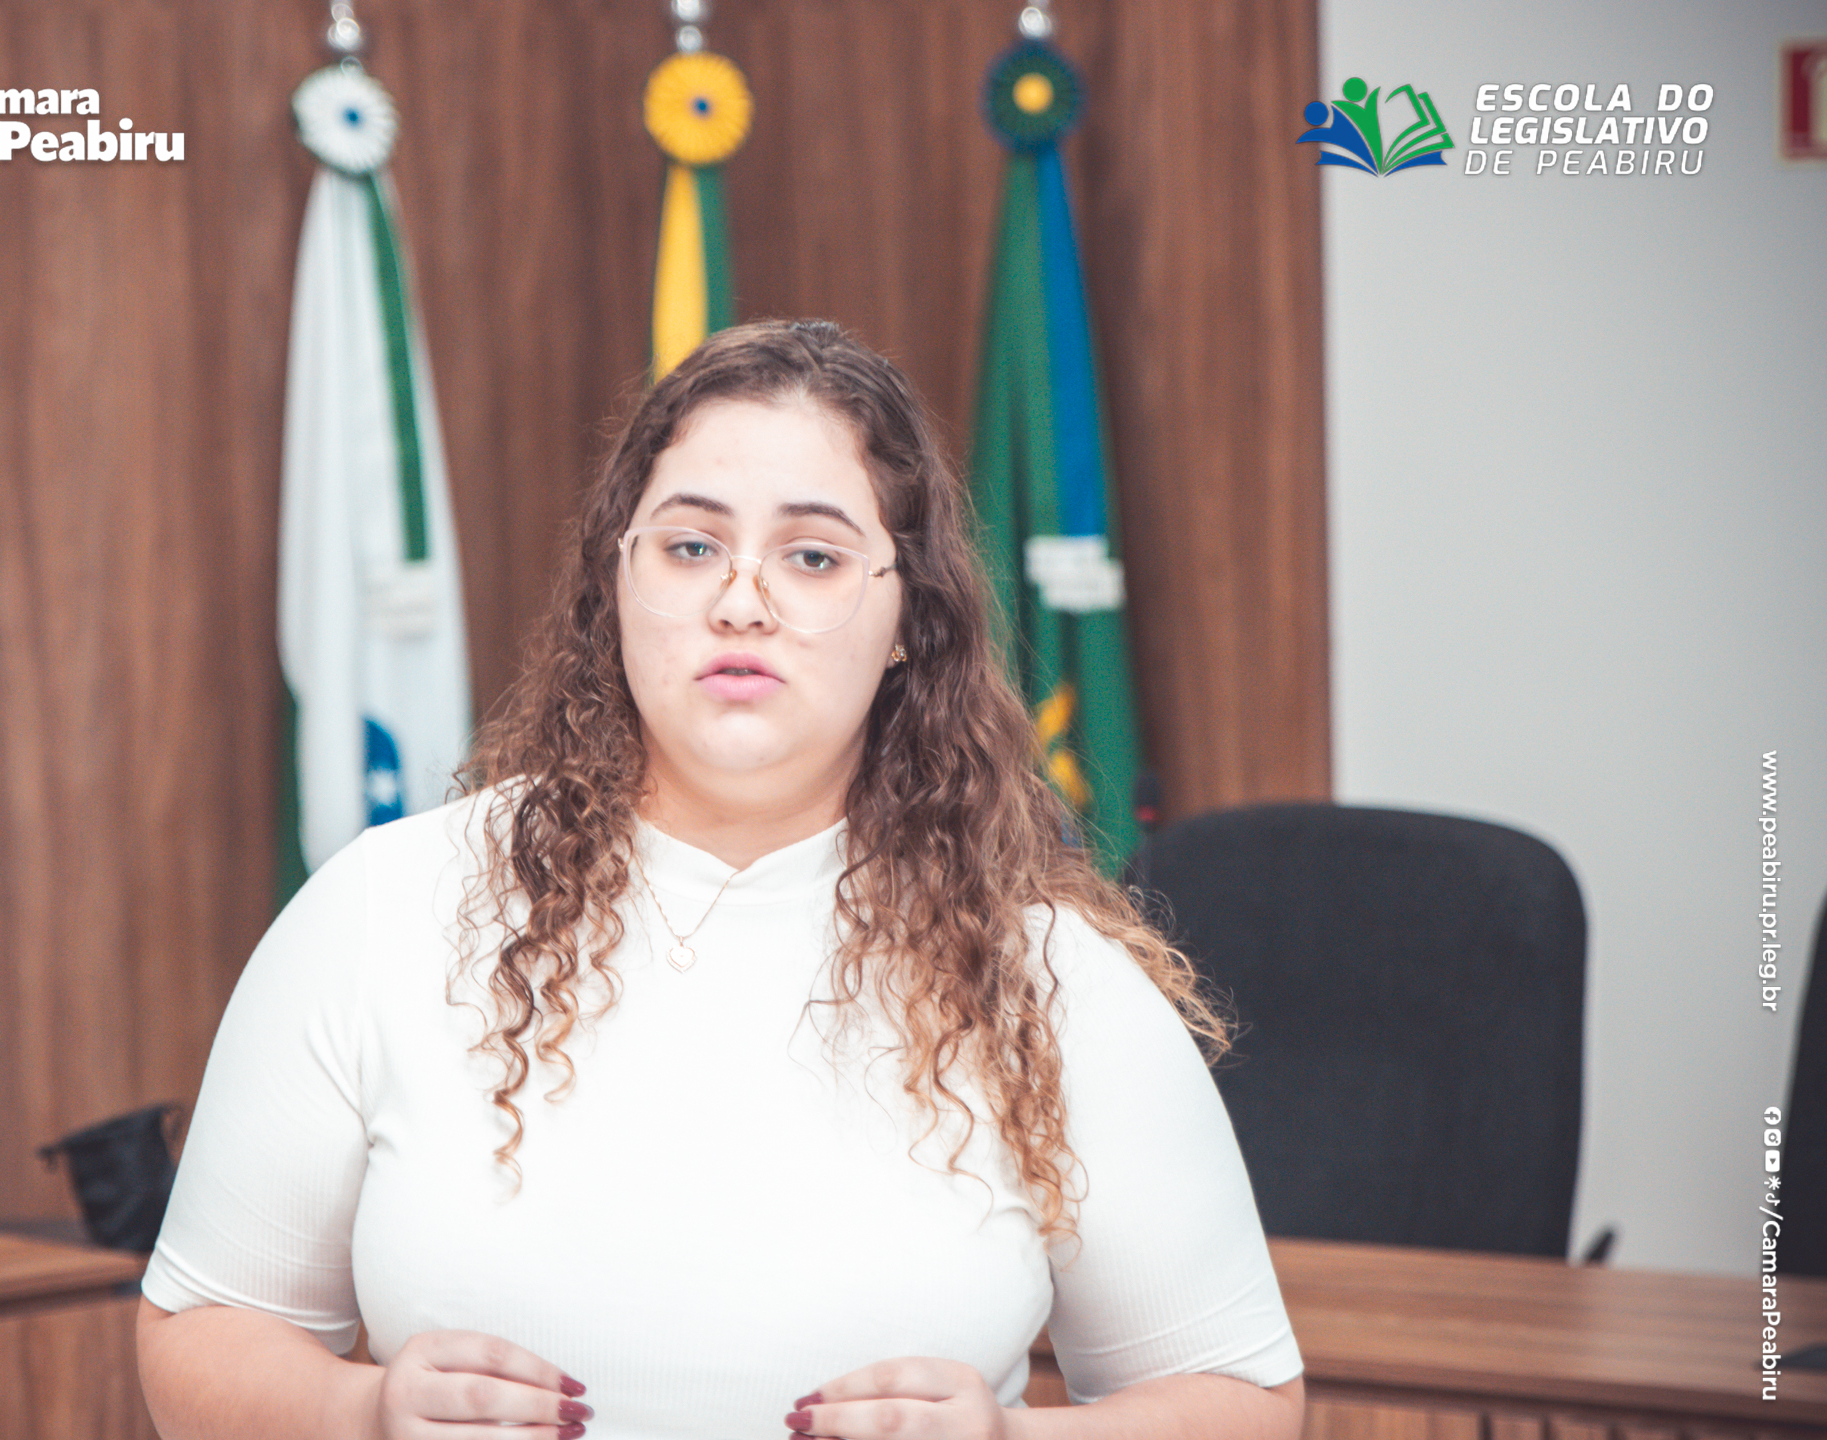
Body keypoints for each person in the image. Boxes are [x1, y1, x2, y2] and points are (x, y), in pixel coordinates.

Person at [135, 320, 1306, 1440]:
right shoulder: (384, 909)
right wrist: (356, 1415)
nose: (741, 601)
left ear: (910, 615)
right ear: (617, 581)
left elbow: (1242, 1398)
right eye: (692, 546)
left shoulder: (1048, 975)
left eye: (813, 557)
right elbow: (200, 1333)